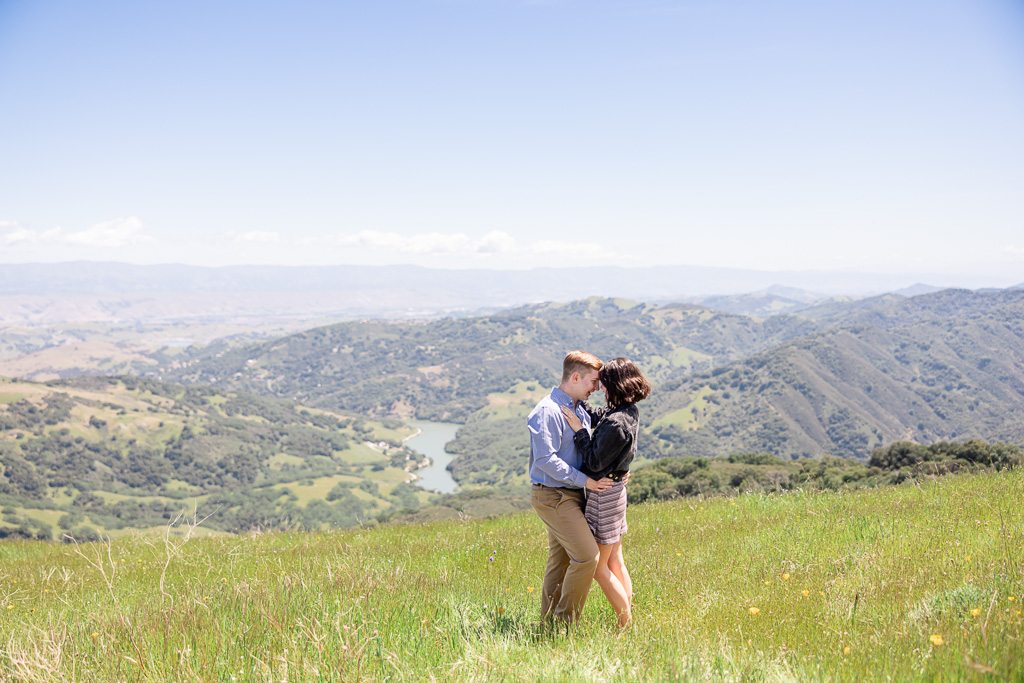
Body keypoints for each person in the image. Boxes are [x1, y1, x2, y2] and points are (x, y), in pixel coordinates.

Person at [560, 357, 651, 628]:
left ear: (615, 385)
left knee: (600, 569)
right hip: (616, 491)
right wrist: (578, 400)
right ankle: (627, 609)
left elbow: (594, 461)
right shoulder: (627, 411)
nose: (600, 389)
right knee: (616, 561)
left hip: (604, 496)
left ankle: (625, 622)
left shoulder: (615, 423)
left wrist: (579, 431)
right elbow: (602, 418)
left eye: (604, 384)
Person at [528, 350, 616, 624]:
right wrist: (586, 481)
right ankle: (564, 624)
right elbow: (545, 460)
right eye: (593, 381)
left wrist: (616, 473)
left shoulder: (579, 410)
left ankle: (547, 622)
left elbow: (588, 451)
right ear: (575, 377)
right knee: (588, 557)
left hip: (571, 494)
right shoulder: (547, 411)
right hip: (553, 495)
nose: (597, 388)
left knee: (562, 559)